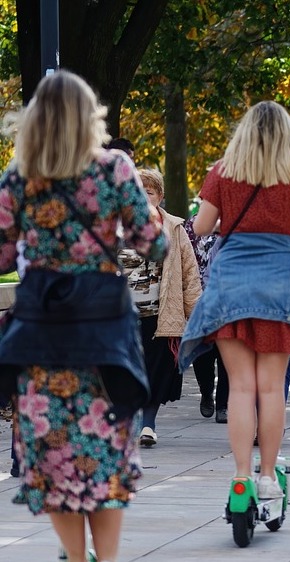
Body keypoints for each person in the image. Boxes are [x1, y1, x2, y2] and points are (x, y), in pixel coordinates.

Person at [0, 70, 167, 562]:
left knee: (52, 452)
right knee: (106, 448)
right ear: (88, 117)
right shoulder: (115, 168)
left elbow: (3, 257)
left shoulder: (19, 176)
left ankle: (77, 558)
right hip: (103, 335)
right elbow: (152, 244)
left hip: (41, 334)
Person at [178, 101, 290, 501]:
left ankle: (240, 475)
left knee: (240, 388)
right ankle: (267, 475)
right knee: (270, 389)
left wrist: (229, 221)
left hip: (230, 285)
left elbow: (199, 228)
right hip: (279, 288)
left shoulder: (221, 172)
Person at [119, 169, 201, 447]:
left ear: (161, 197)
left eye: (149, 192)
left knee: (155, 371)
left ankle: (148, 425)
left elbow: (190, 273)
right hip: (121, 316)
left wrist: (197, 313)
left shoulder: (174, 229)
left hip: (160, 315)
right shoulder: (115, 228)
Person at [184, 213, 230, 423]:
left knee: (227, 355)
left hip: (226, 300)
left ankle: (223, 405)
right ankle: (206, 393)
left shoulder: (235, 219)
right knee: (203, 356)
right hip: (197, 300)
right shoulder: (193, 224)